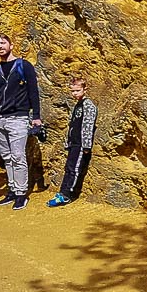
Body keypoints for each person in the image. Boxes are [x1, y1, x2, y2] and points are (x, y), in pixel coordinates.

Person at [0, 33, 44, 210]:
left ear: (11, 45)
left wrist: (36, 117)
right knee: (7, 157)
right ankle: (13, 190)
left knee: (18, 156)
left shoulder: (24, 66)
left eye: (2, 43)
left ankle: (22, 193)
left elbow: (33, 92)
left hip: (18, 118)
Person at [49, 77, 96, 206]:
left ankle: (67, 194)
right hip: (73, 142)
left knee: (74, 169)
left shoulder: (88, 105)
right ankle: (62, 192)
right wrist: (67, 142)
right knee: (68, 168)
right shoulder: (77, 105)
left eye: (77, 90)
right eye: (72, 91)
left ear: (85, 90)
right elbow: (72, 125)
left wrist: (86, 145)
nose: (74, 93)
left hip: (80, 144)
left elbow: (88, 125)